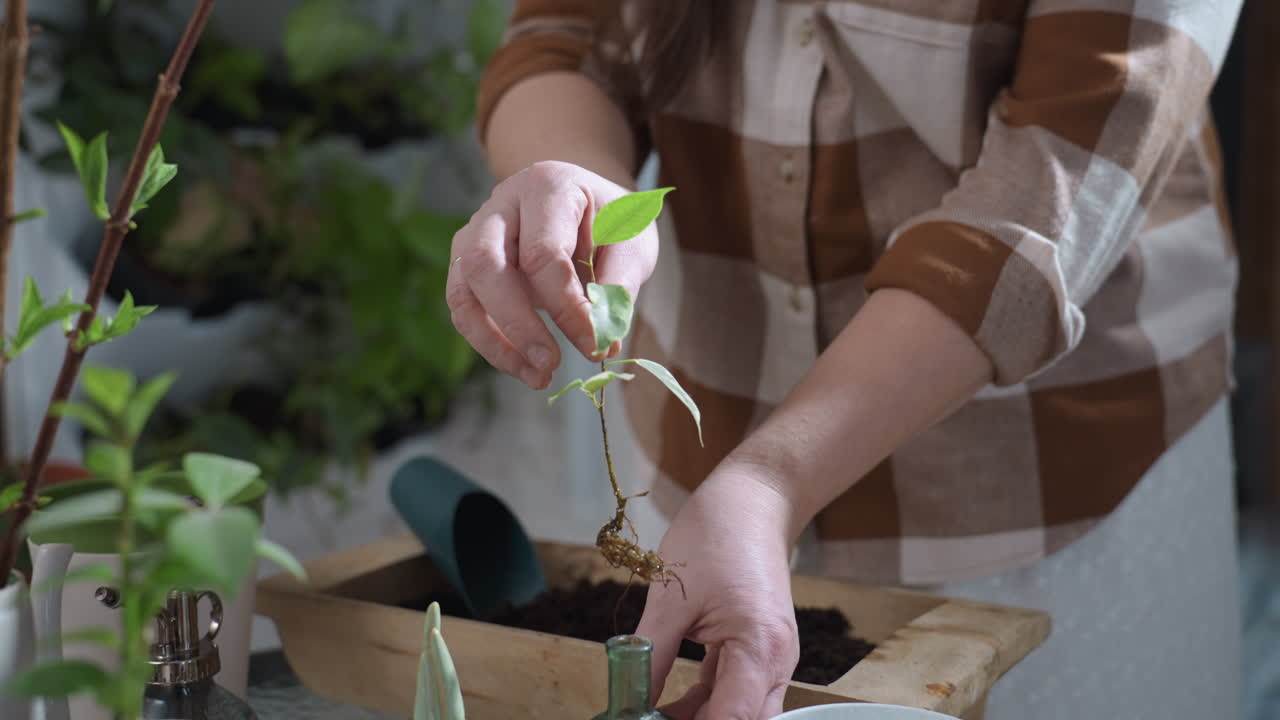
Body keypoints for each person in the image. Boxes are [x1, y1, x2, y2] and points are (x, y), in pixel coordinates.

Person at [446, 2, 1244, 718]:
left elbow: (1040, 204)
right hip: (712, 472)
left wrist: (772, 481)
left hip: (1034, 487)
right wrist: (581, 185)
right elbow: (562, 36)